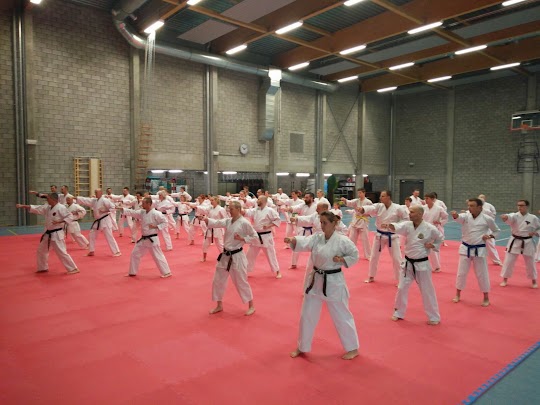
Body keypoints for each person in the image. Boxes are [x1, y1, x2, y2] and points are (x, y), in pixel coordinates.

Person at [286, 211, 360, 360]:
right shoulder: (317, 237)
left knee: (341, 315)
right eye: (321, 222)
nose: (322, 225)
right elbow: (305, 242)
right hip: (316, 280)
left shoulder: (342, 240)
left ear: (334, 223)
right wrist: (293, 240)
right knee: (307, 314)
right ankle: (302, 346)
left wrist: (342, 260)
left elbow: (354, 255)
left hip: (334, 281)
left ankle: (353, 348)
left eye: (325, 222)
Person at [384, 205, 442, 325]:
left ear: (420, 214)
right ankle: (398, 312)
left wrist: (434, 245)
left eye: (412, 212)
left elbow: (440, 238)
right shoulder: (408, 225)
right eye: (410, 212)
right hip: (408, 263)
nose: (409, 214)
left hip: (422, 264)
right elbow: (397, 227)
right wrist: (390, 225)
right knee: (401, 288)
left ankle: (434, 316)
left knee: (427, 291)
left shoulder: (430, 228)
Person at [203, 201, 257, 316]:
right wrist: (206, 220)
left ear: (238, 209)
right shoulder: (228, 221)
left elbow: (255, 237)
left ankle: (251, 305)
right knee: (218, 280)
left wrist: (243, 238)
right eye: (229, 209)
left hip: (237, 256)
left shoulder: (244, 222)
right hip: (225, 255)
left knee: (241, 282)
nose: (229, 211)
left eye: (231, 209)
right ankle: (219, 305)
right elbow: (217, 222)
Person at [451, 198, 500, 306]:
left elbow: (496, 230)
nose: (469, 208)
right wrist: (455, 215)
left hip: (479, 249)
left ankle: (486, 297)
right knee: (461, 273)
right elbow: (459, 218)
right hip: (465, 248)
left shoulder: (487, 219)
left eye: (472, 206)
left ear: (479, 207)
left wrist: (490, 236)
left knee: (482, 274)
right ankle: (458, 294)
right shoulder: (466, 216)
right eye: (468, 205)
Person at [16, 192, 80, 274]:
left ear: (53, 199)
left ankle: (73, 268)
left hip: (57, 234)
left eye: (48, 198)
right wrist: (22, 206)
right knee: (41, 250)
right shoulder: (48, 207)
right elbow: (37, 208)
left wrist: (60, 221)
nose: (47, 200)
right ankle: (43, 267)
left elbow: (70, 216)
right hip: (48, 233)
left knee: (61, 252)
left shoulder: (61, 207)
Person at [360, 190, 409, 284]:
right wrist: (363, 209)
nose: (380, 198)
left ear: (388, 197)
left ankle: (400, 279)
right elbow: (371, 208)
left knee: (397, 258)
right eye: (381, 196)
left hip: (392, 236)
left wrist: (394, 225)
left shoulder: (398, 208)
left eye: (382, 196)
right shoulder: (379, 206)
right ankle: (371, 276)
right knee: (373, 256)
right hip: (380, 236)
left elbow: (406, 219)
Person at [121, 197, 172, 278]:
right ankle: (132, 272)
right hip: (144, 239)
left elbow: (165, 222)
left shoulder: (156, 213)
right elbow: (133, 212)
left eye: (144, 203)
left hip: (152, 239)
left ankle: (167, 272)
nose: (142, 205)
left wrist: (156, 226)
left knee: (158, 256)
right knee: (135, 254)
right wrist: (123, 209)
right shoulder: (142, 212)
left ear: (149, 204)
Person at [500, 200, 540, 289]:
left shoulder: (533, 218)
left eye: (522, 205)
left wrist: (536, 233)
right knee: (508, 261)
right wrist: (506, 217)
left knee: (530, 263)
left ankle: (533, 280)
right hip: (515, 241)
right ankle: (505, 279)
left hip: (528, 241)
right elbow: (509, 217)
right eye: (518, 205)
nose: (519, 207)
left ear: (527, 206)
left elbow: (538, 228)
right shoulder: (514, 215)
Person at [244, 196, 282, 278]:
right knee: (250, 255)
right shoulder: (255, 210)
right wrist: (240, 209)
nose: (257, 201)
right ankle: (245, 271)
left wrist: (269, 226)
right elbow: (247, 212)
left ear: (264, 201)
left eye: (259, 199)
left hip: (266, 236)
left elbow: (277, 220)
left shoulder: (270, 210)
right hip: (256, 236)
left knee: (271, 254)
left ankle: (277, 271)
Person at [77, 188, 121, 257]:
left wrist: (106, 210)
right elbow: (85, 200)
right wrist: (77, 198)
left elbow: (113, 207)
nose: (96, 194)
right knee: (91, 235)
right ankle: (91, 251)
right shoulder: (94, 201)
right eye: (95, 192)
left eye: (97, 192)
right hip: (98, 221)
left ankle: (117, 251)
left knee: (109, 236)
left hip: (105, 220)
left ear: (101, 193)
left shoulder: (104, 200)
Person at [341, 188, 373, 260]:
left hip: (363, 221)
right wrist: (345, 200)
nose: (359, 194)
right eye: (358, 193)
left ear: (364, 193)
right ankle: (350, 253)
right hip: (355, 221)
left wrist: (364, 212)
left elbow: (372, 211)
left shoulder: (368, 202)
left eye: (360, 193)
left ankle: (368, 255)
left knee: (365, 240)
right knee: (351, 238)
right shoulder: (356, 201)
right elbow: (350, 202)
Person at [289, 192, 317, 269]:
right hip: (303, 229)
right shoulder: (303, 205)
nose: (305, 199)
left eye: (307, 197)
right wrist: (289, 208)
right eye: (305, 197)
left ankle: (315, 264)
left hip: (313, 230)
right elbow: (295, 208)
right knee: (296, 245)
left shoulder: (316, 206)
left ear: (311, 198)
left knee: (315, 248)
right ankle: (293, 264)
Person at [423, 192, 448, 272]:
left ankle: (436, 266)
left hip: (434, 229)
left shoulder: (439, 208)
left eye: (427, 198)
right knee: (424, 248)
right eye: (425, 198)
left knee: (433, 248)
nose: (425, 200)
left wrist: (440, 222)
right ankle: (426, 265)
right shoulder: (423, 208)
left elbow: (445, 217)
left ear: (432, 199)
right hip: (424, 229)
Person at [200, 196, 227, 262]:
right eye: (211, 200)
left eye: (212, 200)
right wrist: (203, 218)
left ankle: (225, 258)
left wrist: (226, 229)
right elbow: (205, 212)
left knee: (220, 245)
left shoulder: (221, 209)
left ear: (216, 201)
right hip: (210, 229)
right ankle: (204, 258)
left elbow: (225, 219)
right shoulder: (210, 208)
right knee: (205, 244)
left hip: (218, 229)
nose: (211, 201)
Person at [478, 194, 502, 265]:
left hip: (487, 227)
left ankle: (496, 260)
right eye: (480, 197)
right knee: (474, 244)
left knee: (490, 244)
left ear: (485, 198)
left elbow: (493, 215)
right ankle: (475, 259)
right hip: (478, 228)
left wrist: (485, 211)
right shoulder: (475, 205)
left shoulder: (489, 206)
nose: (481, 199)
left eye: (482, 197)